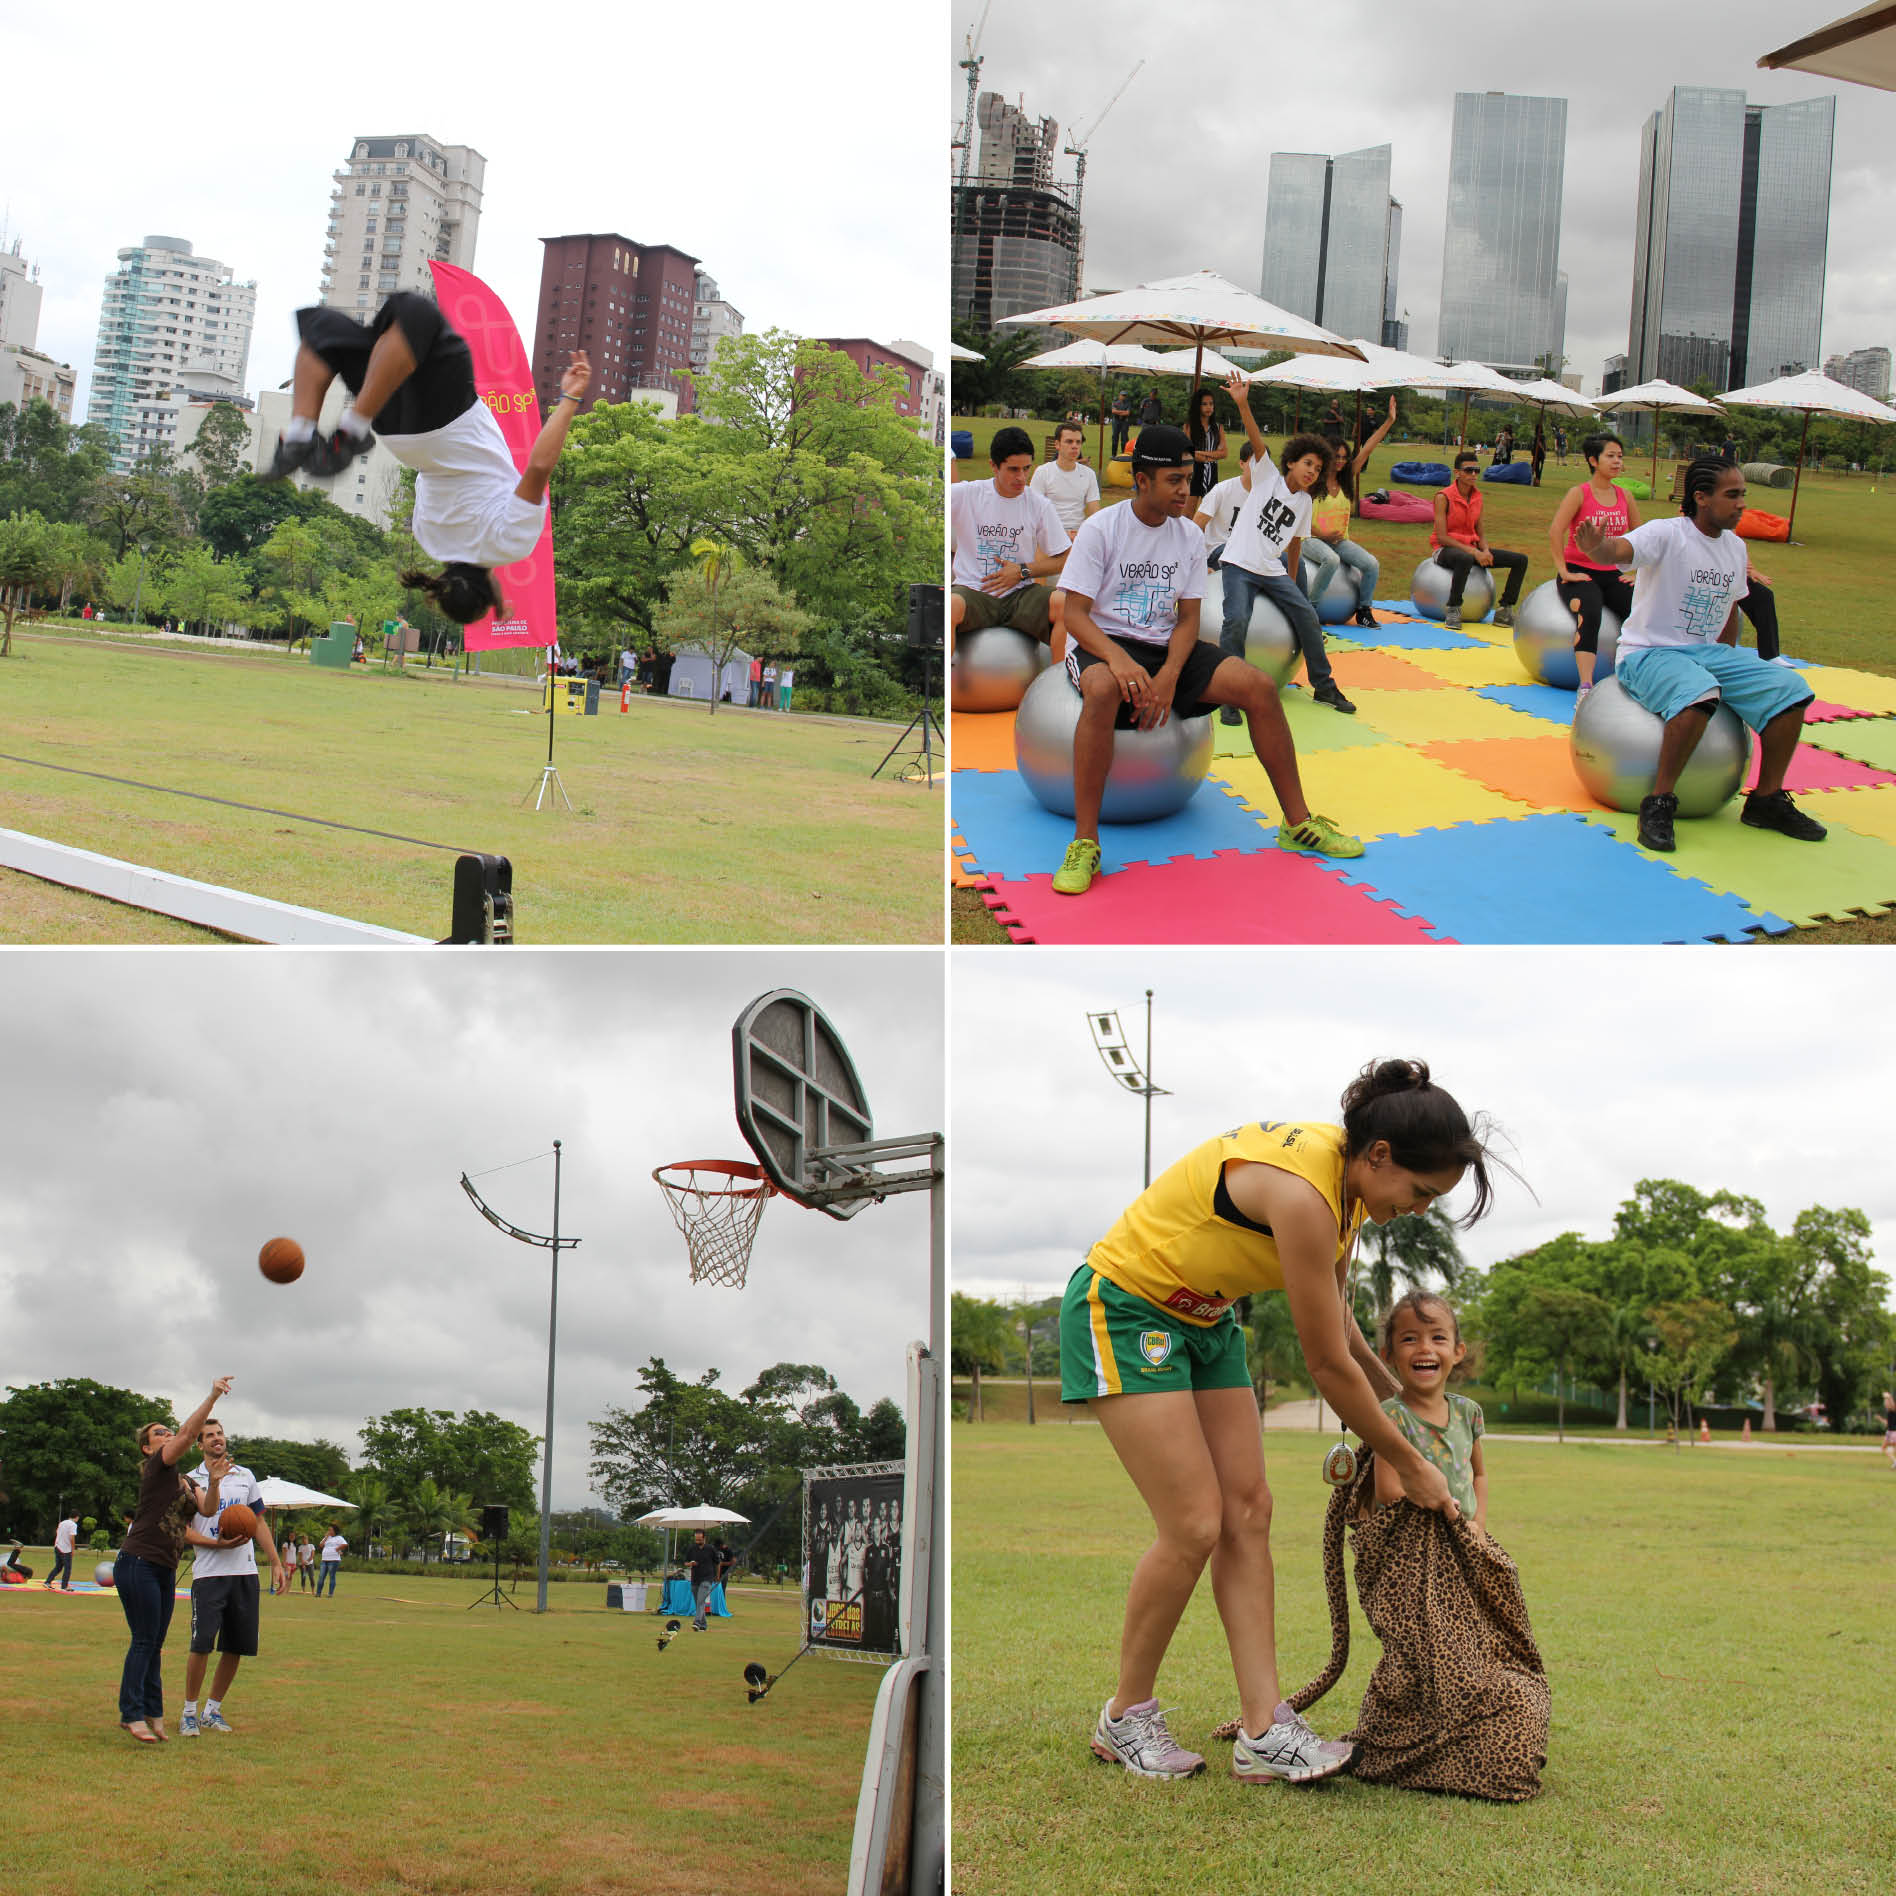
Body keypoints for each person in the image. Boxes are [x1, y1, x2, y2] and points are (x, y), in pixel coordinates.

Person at [1060, 1060, 1499, 1783]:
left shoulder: (1348, 1194)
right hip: (1127, 1306)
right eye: (1420, 1192)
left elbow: (1346, 1332)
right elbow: (1326, 1365)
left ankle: (1263, 1730)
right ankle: (1125, 1717)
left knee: (1249, 1511)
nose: (1420, 1209)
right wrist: (1411, 1462)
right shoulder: (1304, 1195)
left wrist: (1412, 1418)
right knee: (1195, 1522)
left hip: (1205, 1319)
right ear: (1380, 1156)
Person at [1049, 422, 1362, 898]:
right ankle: (1085, 842)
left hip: (1164, 643)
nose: (1186, 489)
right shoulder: (1101, 528)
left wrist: (1172, 673)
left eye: (1190, 477)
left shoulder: (1188, 538)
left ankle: (1297, 823)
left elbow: (1189, 619)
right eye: (1174, 479)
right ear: (1142, 480)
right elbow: (1074, 614)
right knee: (1102, 690)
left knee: (1257, 686)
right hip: (1104, 639)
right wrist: (1118, 660)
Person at [265, 292, 590, 629]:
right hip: (401, 438)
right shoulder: (431, 539)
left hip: (451, 421)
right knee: (324, 329)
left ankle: (350, 430)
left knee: (416, 312)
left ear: (490, 588)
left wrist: (570, 398)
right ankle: (302, 432)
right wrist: (494, 603)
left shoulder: (509, 544)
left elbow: (538, 467)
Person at [1575, 457, 1828, 854]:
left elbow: (1728, 612)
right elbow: (1617, 550)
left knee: (1791, 689)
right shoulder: (1666, 534)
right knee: (1699, 691)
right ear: (1702, 498)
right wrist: (1597, 546)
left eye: (1743, 494)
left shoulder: (1736, 547)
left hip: (1706, 654)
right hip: (1650, 653)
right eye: (1733, 495)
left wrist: (1730, 664)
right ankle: (1658, 802)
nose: (1742, 503)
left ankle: (1766, 800)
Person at [1220, 373, 1357, 715]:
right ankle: (1230, 695)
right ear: (1292, 462)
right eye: (1308, 464)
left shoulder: (1305, 503)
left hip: (1271, 571)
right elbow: (1255, 437)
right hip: (1238, 565)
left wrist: (1294, 585)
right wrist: (1242, 402)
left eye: (1318, 468)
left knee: (1309, 618)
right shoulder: (1267, 477)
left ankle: (1324, 687)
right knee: (1237, 620)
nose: (1312, 471)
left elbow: (1294, 546)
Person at [116, 1378, 231, 1744]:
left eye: (167, 1430)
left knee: (154, 1641)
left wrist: (213, 1482)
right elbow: (186, 1433)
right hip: (138, 1561)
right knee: (145, 1641)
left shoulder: (182, 1480)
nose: (167, 1435)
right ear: (148, 1449)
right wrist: (212, 1396)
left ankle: (153, 1711)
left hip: (163, 1568)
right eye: (158, 1433)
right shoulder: (157, 1468)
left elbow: (208, 1510)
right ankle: (131, 1713)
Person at [179, 1420, 288, 1737]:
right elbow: (182, 1531)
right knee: (201, 1645)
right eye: (209, 1435)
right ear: (199, 1444)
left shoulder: (245, 1476)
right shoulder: (189, 1480)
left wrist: (276, 1562)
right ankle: (188, 1712)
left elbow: (256, 1521)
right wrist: (216, 1543)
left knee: (236, 1646)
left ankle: (212, 1710)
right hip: (210, 1574)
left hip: (245, 1572)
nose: (216, 1439)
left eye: (219, 1434)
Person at [948, 426, 1071, 649]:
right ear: (993, 466)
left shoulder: (1039, 505)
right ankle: (950, 680)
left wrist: (1023, 570)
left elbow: (1064, 558)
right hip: (974, 591)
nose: (1022, 477)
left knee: (1067, 606)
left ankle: (1057, 679)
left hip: (1020, 595)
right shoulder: (968, 494)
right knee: (948, 608)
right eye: (1013, 469)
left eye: (1026, 468)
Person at [1371, 1292, 1486, 1530]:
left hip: (1464, 1540)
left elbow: (1480, 1475)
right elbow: (1387, 1491)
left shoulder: (1468, 1412)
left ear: (1458, 1352)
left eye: (1438, 1338)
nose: (1425, 1348)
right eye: (1410, 1339)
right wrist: (1445, 1510)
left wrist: (1479, 1525)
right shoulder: (1390, 1416)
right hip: (1411, 1546)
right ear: (1388, 1355)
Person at [1548, 433, 1640, 690]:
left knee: (1640, 612)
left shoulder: (1626, 497)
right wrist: (1563, 571)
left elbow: (1641, 539)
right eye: (1610, 456)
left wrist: (1636, 575)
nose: (1617, 461)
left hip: (1614, 573)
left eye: (1619, 456)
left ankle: (1633, 678)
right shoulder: (1578, 494)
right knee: (1590, 610)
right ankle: (1585, 686)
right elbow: (1556, 531)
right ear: (1593, 460)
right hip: (1580, 571)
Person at [1304, 395, 1396, 632]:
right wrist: (1322, 534)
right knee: (1331, 560)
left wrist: (1388, 421)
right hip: (1310, 539)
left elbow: (1367, 448)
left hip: (1338, 540)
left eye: (1345, 457)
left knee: (1371, 564)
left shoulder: (1346, 479)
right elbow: (1298, 520)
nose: (1342, 462)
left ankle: (1363, 610)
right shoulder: (1313, 480)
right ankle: (1310, 610)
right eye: (1337, 457)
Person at [1429, 453, 1530, 629]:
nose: (1474, 474)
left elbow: (1480, 533)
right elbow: (1442, 537)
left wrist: (1485, 550)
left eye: (1477, 470)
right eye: (1469, 470)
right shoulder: (1443, 497)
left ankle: (1504, 610)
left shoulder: (1478, 497)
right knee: (1465, 558)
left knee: (1520, 560)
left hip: (1471, 549)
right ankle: (1453, 608)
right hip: (1445, 549)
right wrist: (1474, 552)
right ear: (1457, 473)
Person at [1030, 421, 1102, 536]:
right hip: (1049, 534)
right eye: (1069, 441)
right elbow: (1033, 512)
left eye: (1078, 442)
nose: (1075, 446)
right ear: (1057, 444)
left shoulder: (1089, 474)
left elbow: (1095, 511)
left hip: (1078, 534)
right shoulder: (1043, 472)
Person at [1191, 441, 1255, 566]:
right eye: (1254, 462)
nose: (1259, 467)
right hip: (1220, 549)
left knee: (1290, 562)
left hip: (1252, 553)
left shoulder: (1270, 496)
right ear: (1242, 464)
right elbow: (1196, 526)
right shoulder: (1222, 490)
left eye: (1264, 463)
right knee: (1238, 557)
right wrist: (1199, 562)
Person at [1185, 386, 1226, 503]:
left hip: (1212, 472)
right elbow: (1189, 452)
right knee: (1188, 513)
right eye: (1204, 404)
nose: (1209, 407)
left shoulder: (1218, 428)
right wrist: (1213, 455)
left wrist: (1201, 453)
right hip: (1194, 470)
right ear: (1197, 406)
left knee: (1209, 511)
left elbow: (1224, 453)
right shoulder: (1190, 426)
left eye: (1211, 404)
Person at [688, 1529, 721, 1631]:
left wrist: (718, 1577)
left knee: (701, 1601)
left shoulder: (710, 1549)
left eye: (699, 1539)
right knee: (698, 1602)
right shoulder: (692, 1548)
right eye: (696, 1539)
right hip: (695, 1579)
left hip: (707, 1578)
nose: (697, 1541)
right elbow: (686, 1562)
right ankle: (703, 1625)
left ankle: (697, 1622)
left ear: (704, 1538)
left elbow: (718, 1562)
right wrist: (690, 1564)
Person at [47, 1511, 78, 1591]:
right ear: (77, 1517)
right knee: (67, 1568)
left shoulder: (62, 1523)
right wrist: (73, 1549)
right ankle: (64, 1586)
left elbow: (58, 1533)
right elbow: (72, 1538)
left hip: (57, 1546)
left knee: (58, 1567)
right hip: (65, 1550)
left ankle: (48, 1581)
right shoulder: (73, 1525)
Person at [317, 1527, 347, 1597]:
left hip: (334, 1560)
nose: (329, 1531)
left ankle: (330, 1594)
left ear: (334, 1531)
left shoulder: (339, 1537)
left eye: (330, 1530)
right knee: (321, 1576)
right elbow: (321, 1545)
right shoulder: (327, 1537)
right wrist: (326, 1537)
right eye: (328, 1530)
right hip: (324, 1560)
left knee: (331, 1576)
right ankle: (318, 1593)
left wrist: (338, 1548)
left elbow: (345, 1544)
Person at [1110, 386, 1133, 456]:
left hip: (1124, 422)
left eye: (1125, 395)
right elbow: (1113, 411)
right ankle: (1113, 455)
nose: (1123, 397)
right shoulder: (1115, 402)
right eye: (1122, 395)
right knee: (1115, 438)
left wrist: (1118, 412)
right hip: (1116, 421)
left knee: (1124, 439)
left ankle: (1124, 454)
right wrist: (1123, 412)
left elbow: (1128, 413)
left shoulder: (1128, 403)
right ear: (1119, 395)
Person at [1882, 1392, 1896, 1471]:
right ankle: (1895, 1462)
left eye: (1886, 1402)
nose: (1885, 1404)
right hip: (1892, 1432)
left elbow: (1891, 1404)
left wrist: (1889, 1396)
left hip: (1891, 1433)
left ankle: (1895, 1462)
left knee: (1883, 1447)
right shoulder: (1890, 1411)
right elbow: (1887, 1423)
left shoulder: (1892, 1410)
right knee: (1894, 1449)